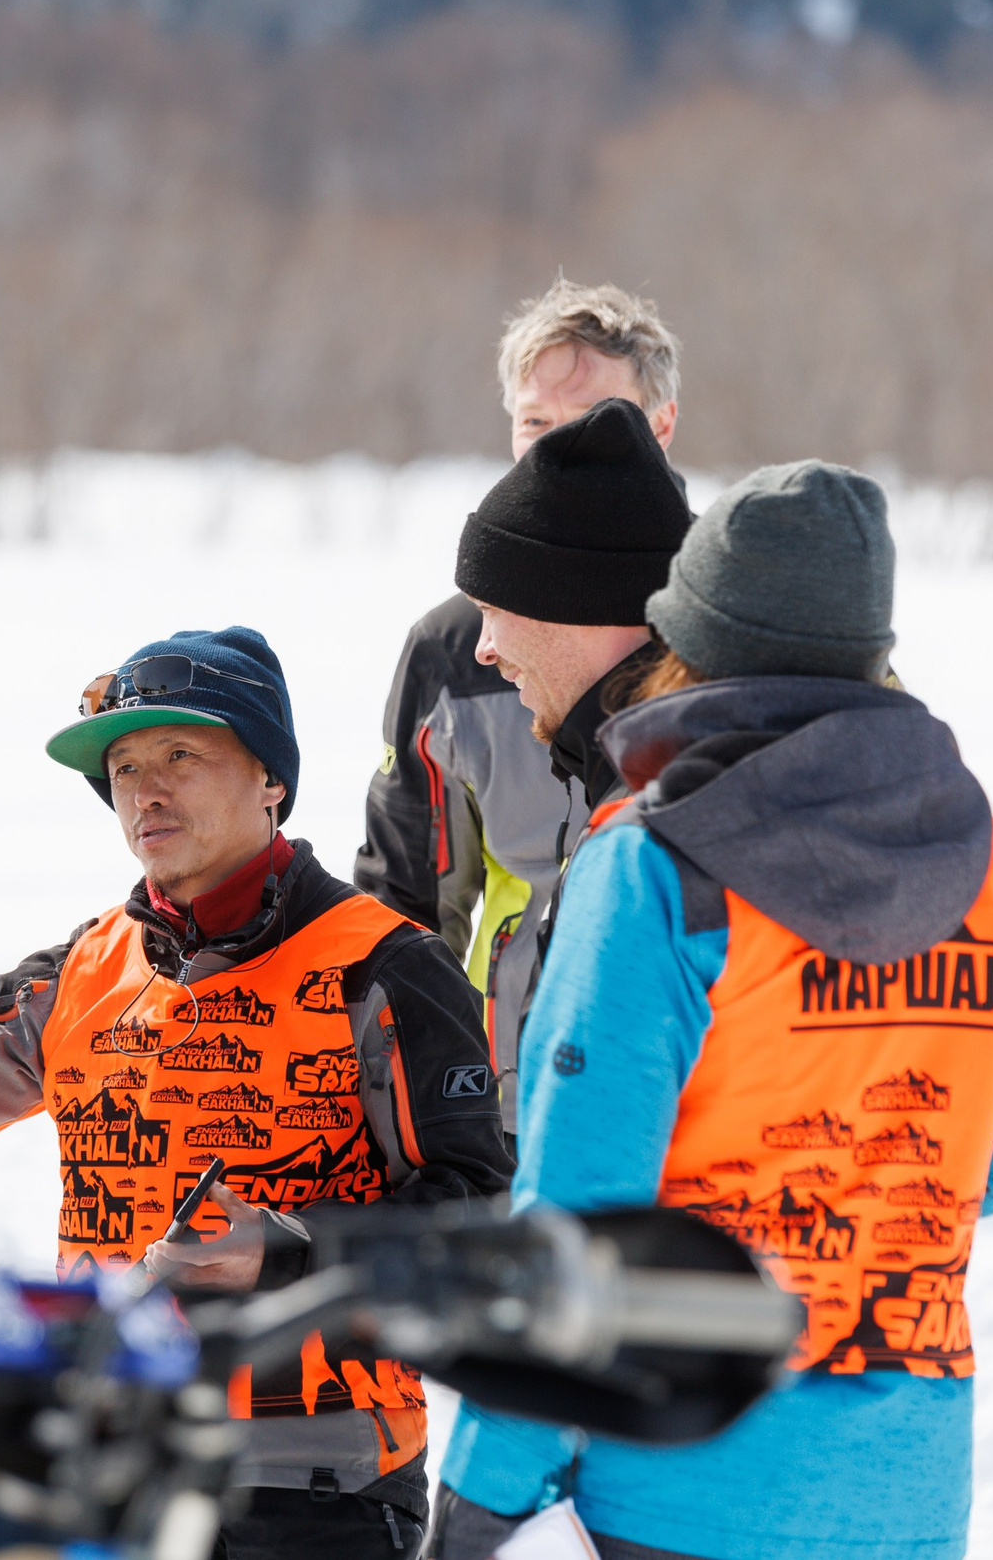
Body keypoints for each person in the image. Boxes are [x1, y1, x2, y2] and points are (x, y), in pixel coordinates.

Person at [0, 627, 509, 1559]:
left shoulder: (384, 966)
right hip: (108, 1459)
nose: (146, 791)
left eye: (181, 755)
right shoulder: (84, 971)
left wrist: (284, 1252)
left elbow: (482, 1214)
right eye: (124, 768)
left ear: (271, 777)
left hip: (315, 1485)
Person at [440, 464, 993, 1560]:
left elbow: (576, 1215)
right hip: (908, 1493)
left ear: (689, 641)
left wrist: (484, 1493)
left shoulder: (656, 865)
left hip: (684, 1487)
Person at [421, 395, 691, 1559]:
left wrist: (480, 1497)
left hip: (684, 1444)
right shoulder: (765, 780)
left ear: (580, 607)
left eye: (496, 611)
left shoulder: (652, 840)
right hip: (891, 1457)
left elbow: (584, 1205)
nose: (480, 647)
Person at [357, 280, 683, 1130]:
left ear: (661, 426)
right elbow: (402, 910)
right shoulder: (457, 650)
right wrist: (417, 1122)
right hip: (503, 1108)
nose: (560, 444)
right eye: (536, 421)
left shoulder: (726, 627)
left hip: (681, 1109)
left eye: (596, 418)